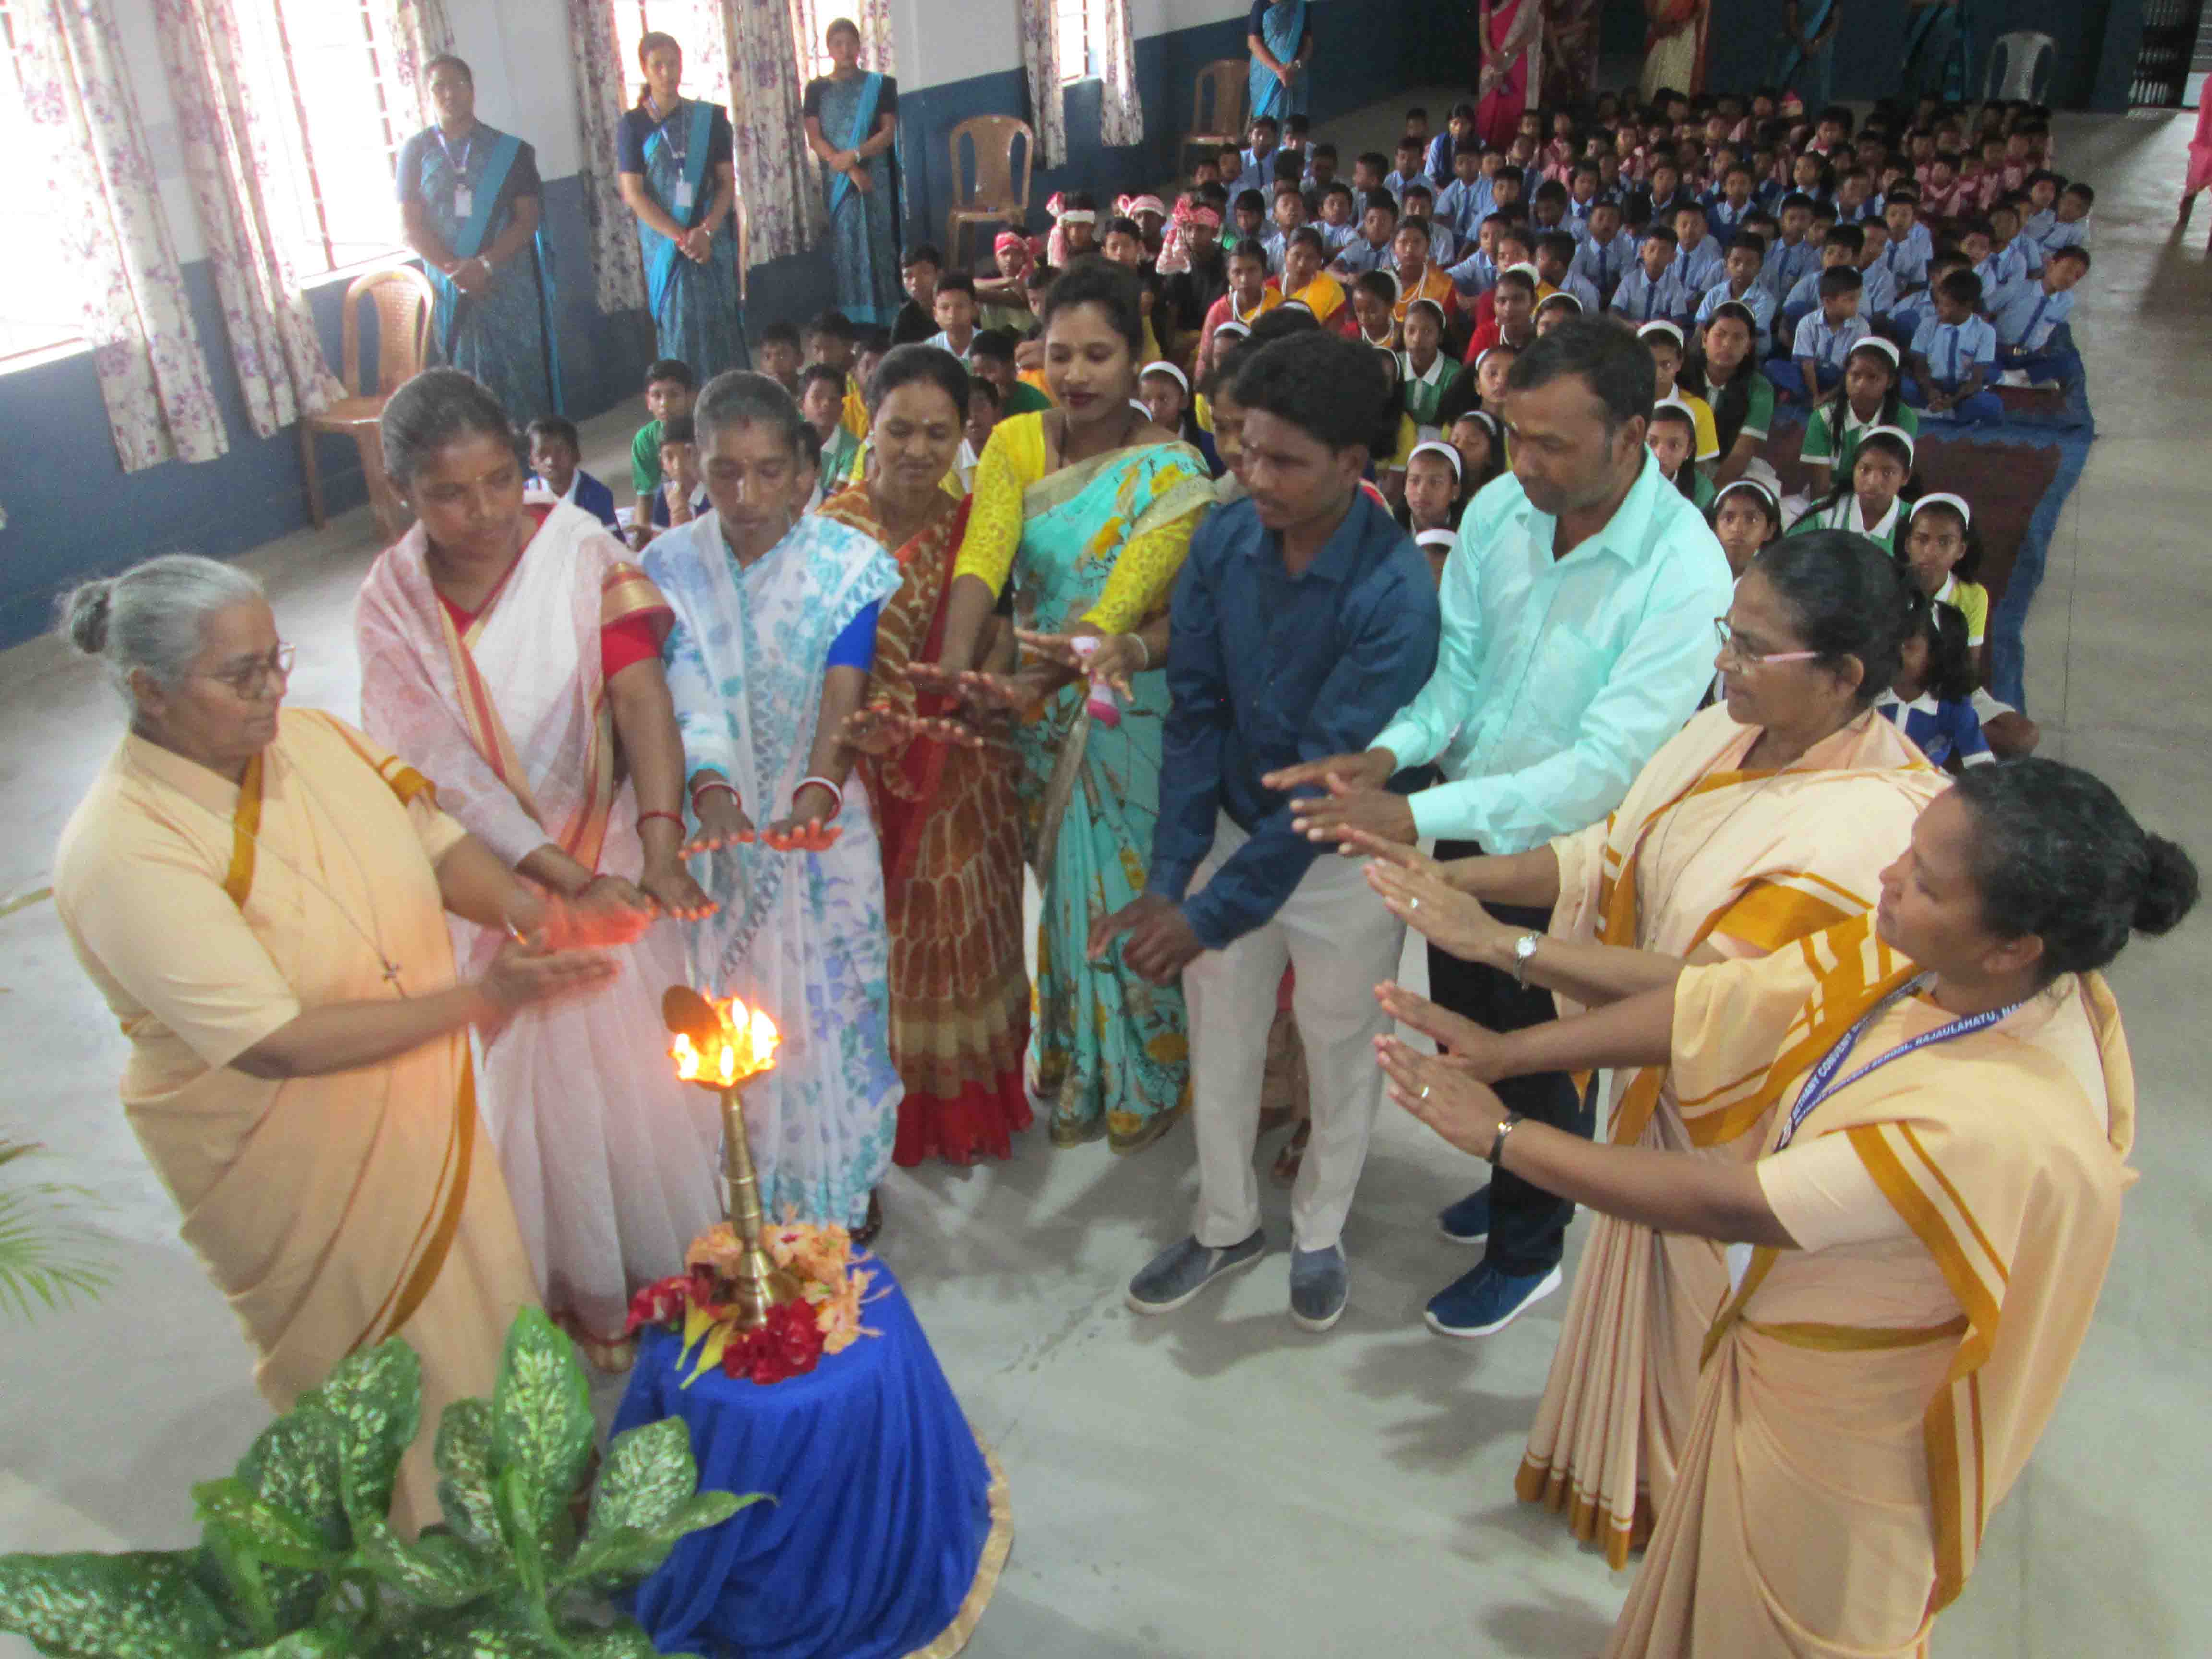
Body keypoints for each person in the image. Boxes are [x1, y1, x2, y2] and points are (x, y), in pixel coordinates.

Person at [1379, 760, 2195, 1657]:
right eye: (1906, 855)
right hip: (1775, 1345)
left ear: (2013, 945)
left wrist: (1503, 1135)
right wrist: (1509, 1034)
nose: (1887, 879)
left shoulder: (1995, 1115)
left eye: (1923, 879)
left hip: (1847, 1439)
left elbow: (1734, 1202)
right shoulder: (1924, 957)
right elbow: (1718, 1002)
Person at [1361, 530, 1945, 1566]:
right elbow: (1609, 852)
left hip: (1736, 1119)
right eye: (1730, 633)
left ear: (1847, 678)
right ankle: (1631, 1481)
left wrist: (1509, 968)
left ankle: (1701, 1538)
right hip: (1660, 1082)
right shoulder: (1725, 730)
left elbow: (1712, 1001)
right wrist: (1459, 878)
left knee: (1705, 1347)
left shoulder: (1866, 826)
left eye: (1754, 648)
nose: (1724, 662)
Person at [53, 556, 607, 1530]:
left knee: (483, 1291)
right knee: (384, 1354)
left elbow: (434, 845)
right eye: (241, 676)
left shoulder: (311, 741)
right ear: (149, 691)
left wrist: (530, 909)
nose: (275, 692)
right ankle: (435, 1542)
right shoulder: (122, 849)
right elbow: (276, 1042)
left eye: (277, 660)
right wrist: (480, 1002)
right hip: (296, 1150)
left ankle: (537, 1478)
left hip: (421, 1109)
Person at [1274, 319, 1732, 1338]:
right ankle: (1509, 1167)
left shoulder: (1687, 573)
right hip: (1469, 816)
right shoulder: (1497, 514)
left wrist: (1416, 811)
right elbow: (1457, 682)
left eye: (1554, 446)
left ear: (1633, 438)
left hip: (1577, 857)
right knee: (1471, 1019)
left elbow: (1602, 767)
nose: (1524, 464)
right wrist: (1392, 754)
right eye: (1515, 436)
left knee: (1548, 1045)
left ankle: (1530, 1252)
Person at [356, 368, 721, 1368]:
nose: (480, 513)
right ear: (401, 495)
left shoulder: (576, 550)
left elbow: (642, 699)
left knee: (633, 1094)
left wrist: (653, 847)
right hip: (497, 881)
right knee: (531, 1101)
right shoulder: (392, 603)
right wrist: (560, 879)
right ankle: (567, 1288)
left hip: (612, 849)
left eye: (495, 480)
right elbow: (431, 771)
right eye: (447, 494)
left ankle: (650, 1279)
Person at [1102, 331, 1437, 1331]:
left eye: (1286, 460)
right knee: (1224, 1033)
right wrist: (1175, 880)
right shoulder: (1223, 541)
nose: (1256, 478)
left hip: (1341, 856)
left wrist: (1209, 914)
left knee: (1341, 1043)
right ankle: (1224, 1223)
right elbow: (1196, 711)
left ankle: (1320, 1229)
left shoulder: (1396, 596)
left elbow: (1326, 782)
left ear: (1354, 464)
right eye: (1245, 449)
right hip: (1230, 831)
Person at [916, 259, 1216, 1153]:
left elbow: (1119, 607)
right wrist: (947, 667)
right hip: (1035, 711)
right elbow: (984, 558)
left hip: (1119, 702)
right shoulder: (1011, 444)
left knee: (1125, 890)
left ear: (1137, 360)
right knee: (1061, 896)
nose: (1077, 375)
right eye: (1060, 355)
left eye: (1099, 354)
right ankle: (1077, 1063)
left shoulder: (1173, 472)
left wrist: (1020, 687)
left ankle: (1148, 1072)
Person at [644, 372, 904, 1233]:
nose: (746, 495)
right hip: (715, 833)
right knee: (735, 1013)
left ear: (805, 472)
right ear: (691, 470)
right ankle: (754, 1180)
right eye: (724, 473)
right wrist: (714, 796)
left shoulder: (845, 563)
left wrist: (816, 790)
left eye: (767, 471)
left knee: (837, 1005)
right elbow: (682, 694)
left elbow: (844, 684)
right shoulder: (667, 567)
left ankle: (843, 1179)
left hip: (820, 837)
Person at [817, 348, 1032, 1167]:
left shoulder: (979, 523)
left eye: (937, 433)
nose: (916, 449)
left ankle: (969, 1108)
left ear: (962, 437)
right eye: (898, 429)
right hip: (860, 765)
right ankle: (886, 1115)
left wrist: (984, 685)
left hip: (958, 766)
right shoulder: (832, 526)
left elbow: (1004, 632)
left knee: (955, 925)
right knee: (878, 939)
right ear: (863, 425)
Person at [398, 56, 560, 429]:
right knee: (466, 385)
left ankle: (530, 466)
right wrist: (455, 271)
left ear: (472, 90)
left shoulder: (510, 151)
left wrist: (483, 266)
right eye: (439, 86)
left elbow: (527, 219)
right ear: (428, 94)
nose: (449, 93)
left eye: (457, 84)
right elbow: (409, 227)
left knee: (521, 378)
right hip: (453, 289)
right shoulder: (416, 152)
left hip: (506, 284)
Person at [617, 33, 745, 378]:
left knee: (719, 319)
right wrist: (681, 237)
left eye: (672, 63)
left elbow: (725, 182)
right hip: (666, 246)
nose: (666, 72)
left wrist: (705, 231)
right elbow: (634, 193)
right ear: (645, 70)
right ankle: (685, 411)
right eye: (657, 65)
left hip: (710, 238)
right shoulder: (633, 125)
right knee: (679, 328)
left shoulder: (710, 119)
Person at [801, 17, 902, 330]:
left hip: (876, 176)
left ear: (860, 47)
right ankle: (854, 319)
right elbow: (815, 137)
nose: (846, 51)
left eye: (851, 44)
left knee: (879, 239)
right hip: (839, 179)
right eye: (838, 44)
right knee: (847, 245)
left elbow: (888, 133)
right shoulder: (817, 89)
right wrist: (845, 165)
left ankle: (887, 315)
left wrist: (857, 156)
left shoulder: (881, 85)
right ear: (829, 50)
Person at [1879, 594, 1993, 768]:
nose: (1892, 652)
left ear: (1938, 656)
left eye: (1907, 647)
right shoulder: (1868, 695)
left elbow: (1982, 768)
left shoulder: (1955, 707)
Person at [1796, 337, 1916, 499]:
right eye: (1855, 375)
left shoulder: (1904, 418)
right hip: (1830, 501)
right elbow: (1820, 491)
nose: (1861, 385)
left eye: (1872, 378)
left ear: (1890, 382)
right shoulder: (1824, 418)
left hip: (1880, 501)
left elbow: (1893, 483)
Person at [1679, 301, 1774, 486]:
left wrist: (1707, 496)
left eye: (1738, 338)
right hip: (1678, 462)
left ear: (1749, 347)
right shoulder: (1681, 375)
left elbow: (1741, 454)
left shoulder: (1760, 388)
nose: (1727, 345)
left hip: (1729, 469)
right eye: (1720, 335)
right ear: (1705, 339)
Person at [1793, 424, 1915, 551]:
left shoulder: (1916, 522)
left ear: (1905, 476)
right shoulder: (1823, 515)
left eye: (1887, 473)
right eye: (1865, 470)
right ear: (1854, 469)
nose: (1873, 482)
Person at [627, 358, 696, 546]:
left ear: (690, 397)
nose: (664, 404)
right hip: (667, 505)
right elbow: (645, 495)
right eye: (657, 396)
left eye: (674, 395)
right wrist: (642, 533)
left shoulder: (705, 432)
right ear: (648, 402)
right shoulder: (645, 440)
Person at [1476, 0, 1545, 151]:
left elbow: (1532, 34)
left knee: (1515, 111)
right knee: (1489, 112)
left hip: (1519, 64)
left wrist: (1506, 53)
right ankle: (1488, 158)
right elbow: (1483, 33)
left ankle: (1518, 155)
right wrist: (1491, 55)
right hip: (1492, 62)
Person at [526, 417, 618, 529]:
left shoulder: (597, 495)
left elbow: (610, 543)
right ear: (531, 462)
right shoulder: (525, 495)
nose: (551, 461)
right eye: (542, 454)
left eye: (561, 452)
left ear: (576, 455)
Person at [1247, 1, 1312, 127]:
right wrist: (1279, 70)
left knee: (1295, 124)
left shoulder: (1301, 6)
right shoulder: (1261, 4)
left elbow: (1308, 44)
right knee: (1266, 124)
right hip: (1266, 76)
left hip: (1295, 74)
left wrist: (1297, 65)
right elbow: (1253, 42)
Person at [1774, 0, 1839, 113]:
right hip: (1794, 50)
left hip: (1821, 53)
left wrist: (1818, 44)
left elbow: (1835, 22)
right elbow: (1791, 20)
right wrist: (1804, 44)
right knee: (1790, 90)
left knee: (1819, 92)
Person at [1640, 0, 1709, 106]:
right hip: (1659, 31)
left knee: (1678, 77)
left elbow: (1702, 8)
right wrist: (1660, 25)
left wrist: (1684, 24)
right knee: (1654, 74)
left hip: (1683, 34)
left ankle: (1676, 108)